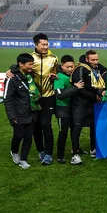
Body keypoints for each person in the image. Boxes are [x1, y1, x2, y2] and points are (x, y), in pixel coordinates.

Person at [5, 53, 41, 169]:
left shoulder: (30, 76)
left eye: (32, 64)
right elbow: (7, 99)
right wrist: (12, 117)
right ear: (21, 64)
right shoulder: (12, 79)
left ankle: (23, 159)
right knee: (18, 136)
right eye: (29, 64)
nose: (31, 67)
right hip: (18, 115)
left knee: (28, 137)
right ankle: (14, 151)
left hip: (31, 112)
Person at [70, 50, 105, 164]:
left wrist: (98, 93)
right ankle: (75, 153)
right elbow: (81, 89)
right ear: (87, 59)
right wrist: (95, 96)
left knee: (93, 127)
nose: (95, 62)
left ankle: (93, 149)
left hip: (91, 104)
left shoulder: (95, 68)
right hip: (79, 104)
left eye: (96, 59)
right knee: (77, 128)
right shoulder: (80, 69)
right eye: (93, 60)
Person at [30, 33, 59, 165]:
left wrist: (55, 77)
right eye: (43, 44)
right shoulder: (30, 58)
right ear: (36, 45)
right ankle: (40, 150)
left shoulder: (53, 58)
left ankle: (48, 154)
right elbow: (21, 71)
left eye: (47, 44)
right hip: (34, 98)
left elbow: (57, 74)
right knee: (36, 126)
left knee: (46, 125)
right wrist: (10, 71)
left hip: (49, 97)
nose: (46, 47)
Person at [53, 55, 85, 164]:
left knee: (75, 130)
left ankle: (76, 149)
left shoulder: (72, 75)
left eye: (72, 66)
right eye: (67, 67)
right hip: (62, 109)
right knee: (63, 132)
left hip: (73, 108)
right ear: (62, 66)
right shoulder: (59, 77)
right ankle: (60, 155)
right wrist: (75, 88)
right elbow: (59, 95)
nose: (70, 69)